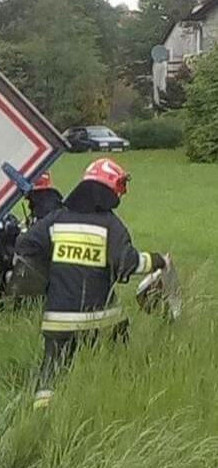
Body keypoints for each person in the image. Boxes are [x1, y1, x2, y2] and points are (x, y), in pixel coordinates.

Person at [15, 158, 167, 409]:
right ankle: (119, 400)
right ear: (108, 189)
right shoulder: (110, 224)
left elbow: (25, 245)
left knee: (52, 368)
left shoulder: (56, 219)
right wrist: (157, 260)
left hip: (57, 318)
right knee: (119, 356)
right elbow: (127, 264)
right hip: (101, 318)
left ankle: (41, 413)